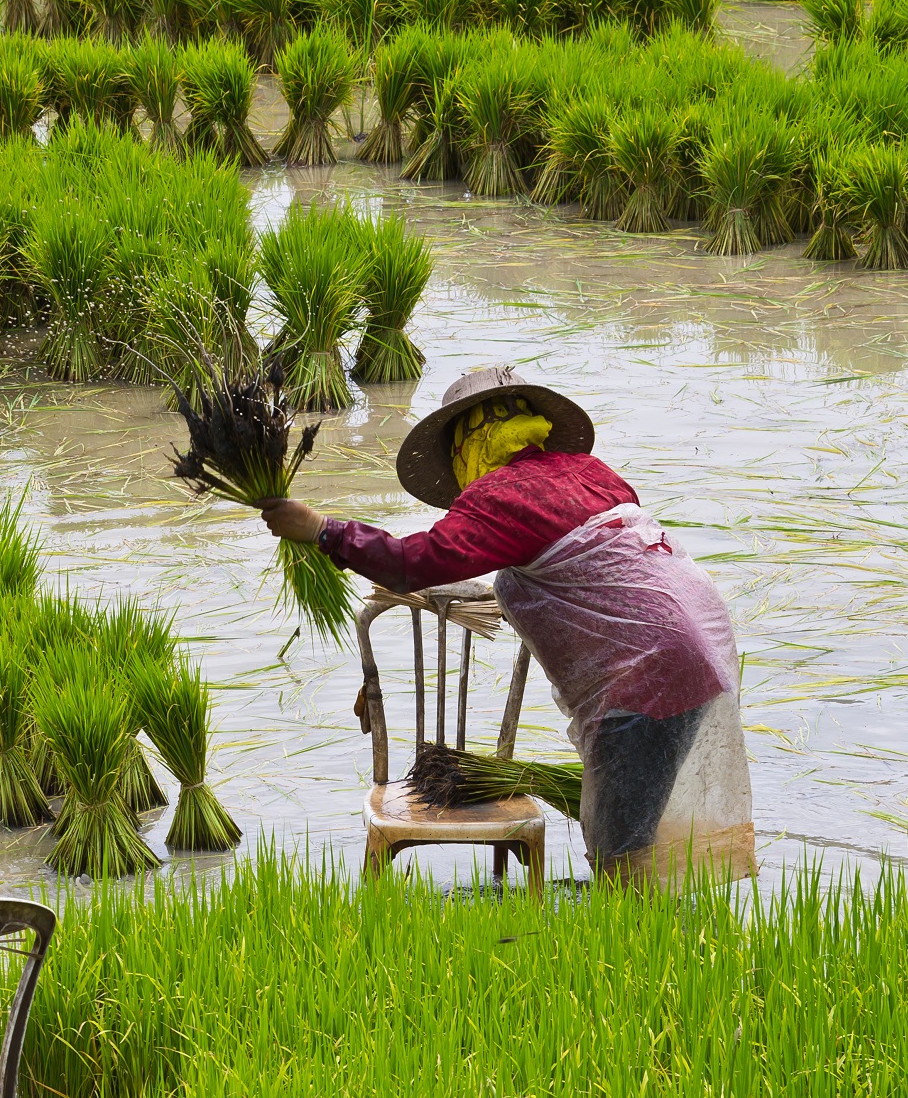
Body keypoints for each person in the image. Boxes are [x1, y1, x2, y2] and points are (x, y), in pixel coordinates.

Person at [258, 366, 754, 887]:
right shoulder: (591, 471)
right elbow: (587, 571)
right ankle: (654, 936)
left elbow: (410, 563)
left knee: (620, 850)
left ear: (472, 441)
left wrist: (320, 529)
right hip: (698, 643)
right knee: (640, 830)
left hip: (643, 667)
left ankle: (631, 949)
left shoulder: (502, 496)